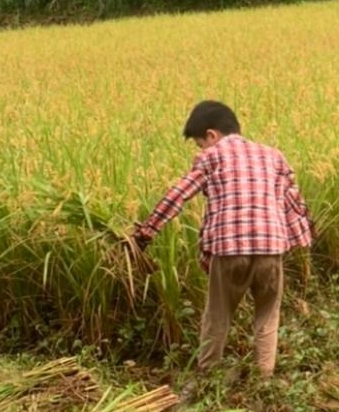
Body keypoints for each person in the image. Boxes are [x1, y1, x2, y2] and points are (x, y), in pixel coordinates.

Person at [131, 100, 313, 390]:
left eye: (200, 143)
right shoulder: (273, 156)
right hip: (271, 247)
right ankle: (264, 379)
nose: (201, 150)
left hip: (228, 249)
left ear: (212, 135)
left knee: (217, 316)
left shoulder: (212, 157)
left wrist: (145, 233)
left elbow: (178, 195)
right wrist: (299, 241)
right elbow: (294, 204)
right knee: (267, 315)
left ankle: (207, 377)